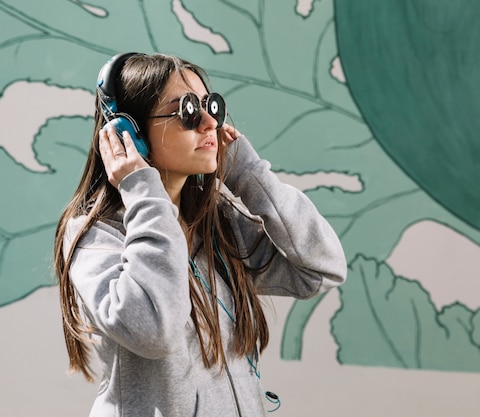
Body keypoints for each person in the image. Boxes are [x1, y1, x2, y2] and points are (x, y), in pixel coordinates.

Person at [53, 52, 347, 417]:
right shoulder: (94, 236)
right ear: (131, 133)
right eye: (188, 111)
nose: (209, 123)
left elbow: (323, 269)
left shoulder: (214, 226)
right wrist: (143, 190)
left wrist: (250, 175)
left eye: (211, 106)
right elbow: (153, 330)